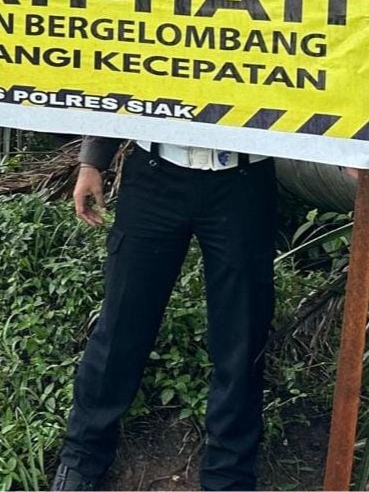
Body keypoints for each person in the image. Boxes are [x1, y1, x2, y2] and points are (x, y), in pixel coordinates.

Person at [53, 133, 276, 490]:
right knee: (122, 326)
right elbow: (127, 81)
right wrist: (92, 161)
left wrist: (351, 146)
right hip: (155, 176)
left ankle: (230, 477)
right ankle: (81, 461)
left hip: (243, 183)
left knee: (242, 336)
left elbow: (325, 77)